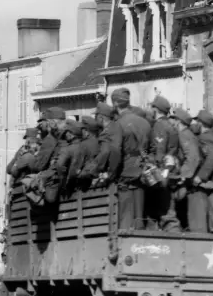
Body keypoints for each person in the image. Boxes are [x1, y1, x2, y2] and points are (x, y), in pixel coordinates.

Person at [109, 88, 151, 230]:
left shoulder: (118, 124)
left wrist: (112, 173)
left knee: (125, 213)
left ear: (115, 103)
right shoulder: (144, 122)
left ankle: (126, 243)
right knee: (139, 213)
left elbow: (115, 152)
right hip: (142, 170)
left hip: (125, 172)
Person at [146, 95, 181, 232]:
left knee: (165, 212)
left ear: (156, 109)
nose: (150, 109)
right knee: (166, 209)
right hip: (170, 170)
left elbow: (160, 150)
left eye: (152, 107)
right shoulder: (170, 125)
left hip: (162, 173)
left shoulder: (159, 126)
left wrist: (156, 170)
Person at [170, 108, 202, 231]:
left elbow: (193, 158)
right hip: (187, 177)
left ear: (178, 121)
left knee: (181, 203)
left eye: (174, 119)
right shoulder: (187, 134)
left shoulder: (184, 135)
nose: (172, 122)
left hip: (186, 179)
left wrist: (182, 176)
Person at [70, 116, 100, 189]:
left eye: (82, 129)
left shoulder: (83, 144)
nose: (80, 131)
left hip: (86, 180)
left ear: (87, 131)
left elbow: (77, 165)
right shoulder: (98, 141)